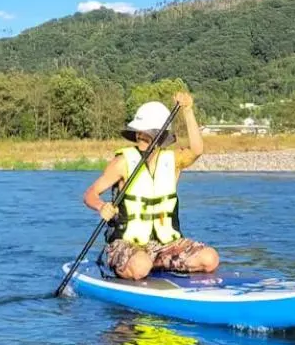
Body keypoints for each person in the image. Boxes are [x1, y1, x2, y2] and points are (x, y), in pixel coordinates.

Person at [82, 91, 221, 280]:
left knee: (210, 258)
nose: (141, 137)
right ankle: (125, 265)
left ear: (160, 137)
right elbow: (90, 194)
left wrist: (188, 111)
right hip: (128, 244)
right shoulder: (123, 162)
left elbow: (197, 150)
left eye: (146, 135)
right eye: (139, 134)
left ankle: (156, 264)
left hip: (165, 245)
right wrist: (101, 206)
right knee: (141, 266)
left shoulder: (174, 161)